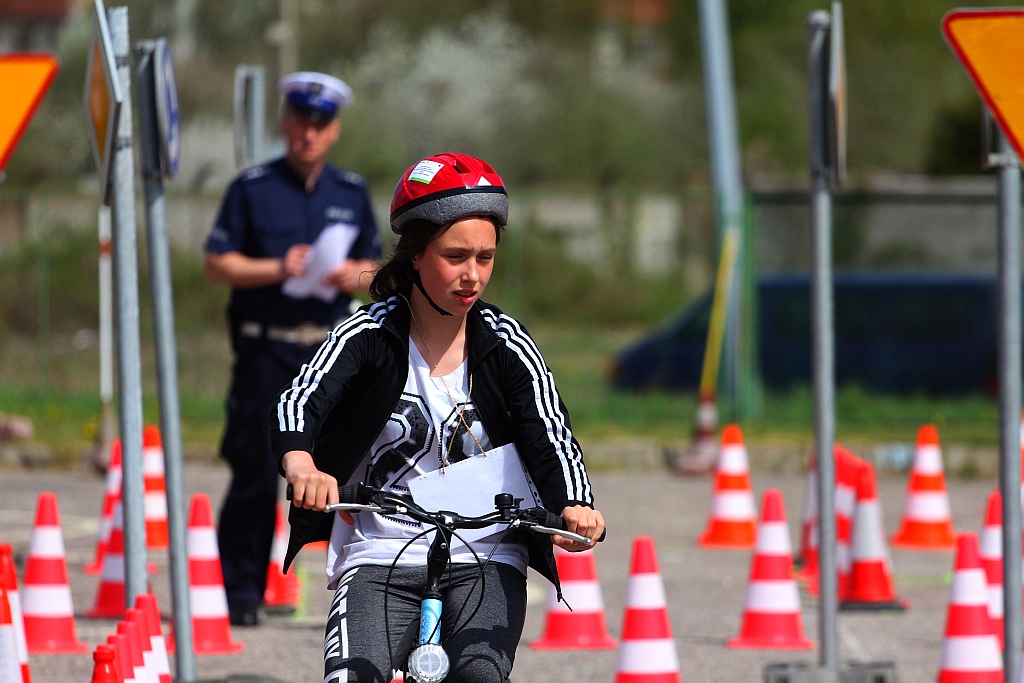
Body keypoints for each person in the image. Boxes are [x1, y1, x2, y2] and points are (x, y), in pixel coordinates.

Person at [271, 152, 604, 683]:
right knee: (353, 675)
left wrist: (575, 503)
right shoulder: (368, 336)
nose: (473, 276)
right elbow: (299, 400)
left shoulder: (506, 346)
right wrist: (302, 464)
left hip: (487, 552)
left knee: (479, 675)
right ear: (416, 257)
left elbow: (550, 432)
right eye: (455, 256)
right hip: (380, 549)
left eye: (486, 258)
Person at [204, 71, 382, 627]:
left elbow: (380, 268)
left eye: (320, 124)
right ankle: (241, 594)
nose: (309, 133)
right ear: (285, 125)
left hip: (329, 354)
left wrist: (350, 274)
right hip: (267, 353)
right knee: (258, 474)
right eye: (301, 122)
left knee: (341, 475)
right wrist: (278, 268)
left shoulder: (350, 193)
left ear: (334, 132)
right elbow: (218, 263)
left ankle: (355, 595)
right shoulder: (252, 188)